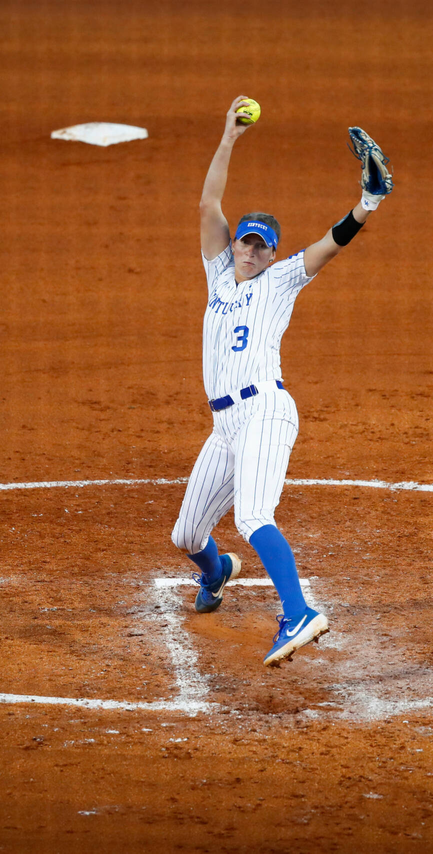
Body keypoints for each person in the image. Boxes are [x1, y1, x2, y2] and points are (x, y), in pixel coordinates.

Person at [170, 95, 393, 666]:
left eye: (259, 246)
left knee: (252, 515)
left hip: (266, 410)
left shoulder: (283, 281)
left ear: (271, 254)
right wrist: (228, 136)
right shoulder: (219, 275)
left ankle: (298, 613)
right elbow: (207, 202)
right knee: (186, 536)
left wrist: (365, 203)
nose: (248, 251)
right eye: (244, 241)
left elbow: (331, 244)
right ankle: (219, 573)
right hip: (224, 424)